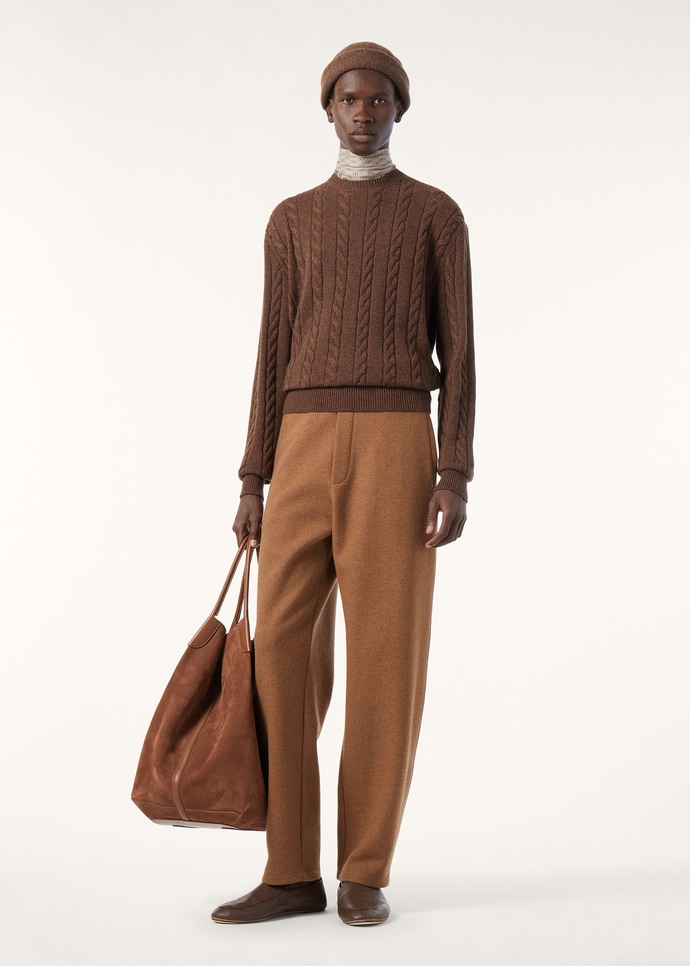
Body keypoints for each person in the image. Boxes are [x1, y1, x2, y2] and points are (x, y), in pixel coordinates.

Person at [212, 41, 475, 927]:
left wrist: (453, 470)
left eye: (379, 99)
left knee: (384, 659)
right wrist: (253, 475)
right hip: (299, 442)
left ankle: (364, 868)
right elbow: (270, 353)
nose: (364, 113)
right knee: (280, 652)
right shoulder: (289, 220)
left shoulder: (436, 215)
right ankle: (291, 869)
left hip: (398, 443)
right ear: (328, 109)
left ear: (400, 108)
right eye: (349, 99)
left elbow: (462, 354)